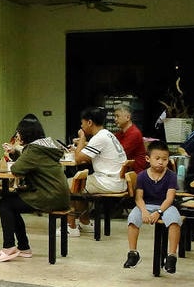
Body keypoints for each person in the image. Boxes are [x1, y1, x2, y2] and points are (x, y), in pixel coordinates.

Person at [0, 115, 70, 262]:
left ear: (26, 134)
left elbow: (17, 169)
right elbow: (30, 161)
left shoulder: (34, 149)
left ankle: (9, 247)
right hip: (59, 194)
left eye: (19, 132)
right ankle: (24, 247)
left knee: (6, 203)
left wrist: (15, 153)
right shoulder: (46, 145)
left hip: (49, 196)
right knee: (11, 202)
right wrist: (16, 153)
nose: (17, 135)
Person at [65, 106, 127, 236]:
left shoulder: (99, 138)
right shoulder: (107, 134)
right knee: (80, 182)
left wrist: (81, 138)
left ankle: (70, 227)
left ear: (89, 122)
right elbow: (89, 156)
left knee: (67, 185)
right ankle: (85, 222)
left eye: (82, 123)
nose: (81, 126)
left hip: (109, 182)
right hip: (117, 180)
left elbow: (77, 159)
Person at [124, 141, 182, 272]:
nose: (161, 162)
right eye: (157, 158)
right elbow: (139, 198)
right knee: (133, 219)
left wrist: (159, 211)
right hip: (146, 205)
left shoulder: (171, 176)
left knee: (174, 221)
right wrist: (144, 212)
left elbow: (170, 198)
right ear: (148, 159)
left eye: (165, 159)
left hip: (166, 206)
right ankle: (133, 253)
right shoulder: (142, 176)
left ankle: (172, 256)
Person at [112, 103, 147, 173]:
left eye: (117, 116)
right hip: (124, 169)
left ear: (128, 117)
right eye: (114, 116)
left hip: (134, 173)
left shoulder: (134, 133)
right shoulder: (120, 133)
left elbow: (119, 154)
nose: (115, 119)